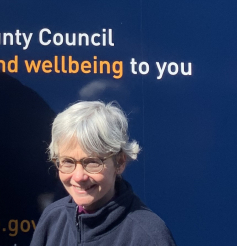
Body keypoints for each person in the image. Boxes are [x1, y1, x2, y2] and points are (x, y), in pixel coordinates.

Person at [30, 101, 176, 246]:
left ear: (119, 162)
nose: (79, 177)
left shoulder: (148, 236)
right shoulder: (53, 218)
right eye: (68, 162)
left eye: (92, 162)